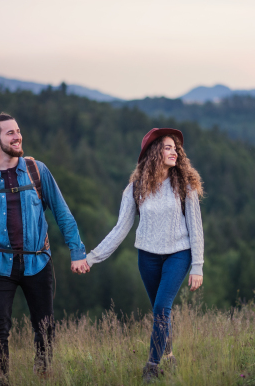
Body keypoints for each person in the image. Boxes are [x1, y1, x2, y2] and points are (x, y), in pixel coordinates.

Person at [0, 113, 90, 384]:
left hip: (38, 262)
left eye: (18, 131)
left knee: (45, 328)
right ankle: (0, 380)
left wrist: (77, 252)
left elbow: (62, 213)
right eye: (10, 133)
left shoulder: (37, 170)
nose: (17, 136)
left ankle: (42, 376)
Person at [85, 127, 204, 382]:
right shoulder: (136, 188)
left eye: (175, 148)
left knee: (162, 308)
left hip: (178, 255)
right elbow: (120, 229)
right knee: (160, 311)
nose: (174, 152)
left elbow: (196, 228)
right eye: (168, 147)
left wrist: (197, 266)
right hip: (147, 257)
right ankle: (169, 355)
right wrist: (92, 257)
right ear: (153, 152)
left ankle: (151, 367)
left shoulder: (184, 185)